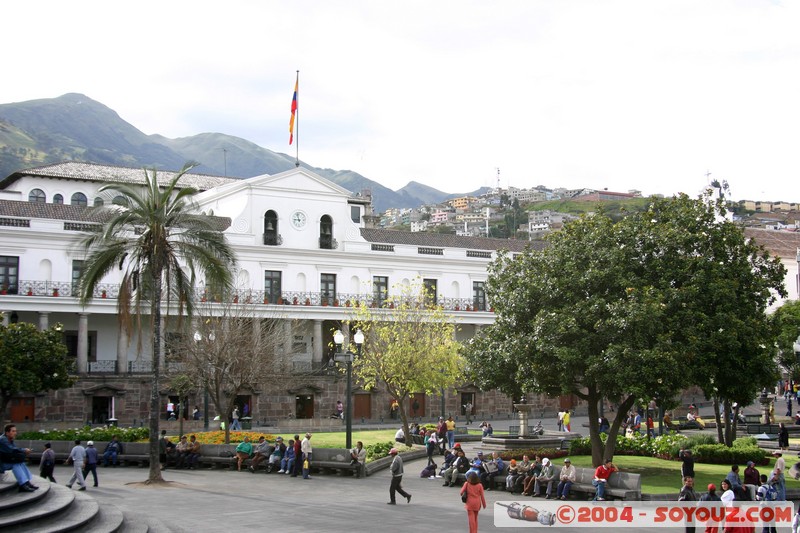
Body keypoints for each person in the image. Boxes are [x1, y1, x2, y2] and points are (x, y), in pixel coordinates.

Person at [0, 423, 38, 492]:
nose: (15, 433)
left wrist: (24, 451)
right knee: (15, 464)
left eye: (15, 431)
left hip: (5, 460)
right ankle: (23, 485)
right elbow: (12, 449)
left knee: (20, 462)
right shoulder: (3, 440)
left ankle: (27, 482)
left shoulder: (9, 439)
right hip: (1, 464)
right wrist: (24, 450)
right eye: (13, 431)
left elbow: (15, 449)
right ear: (7, 432)